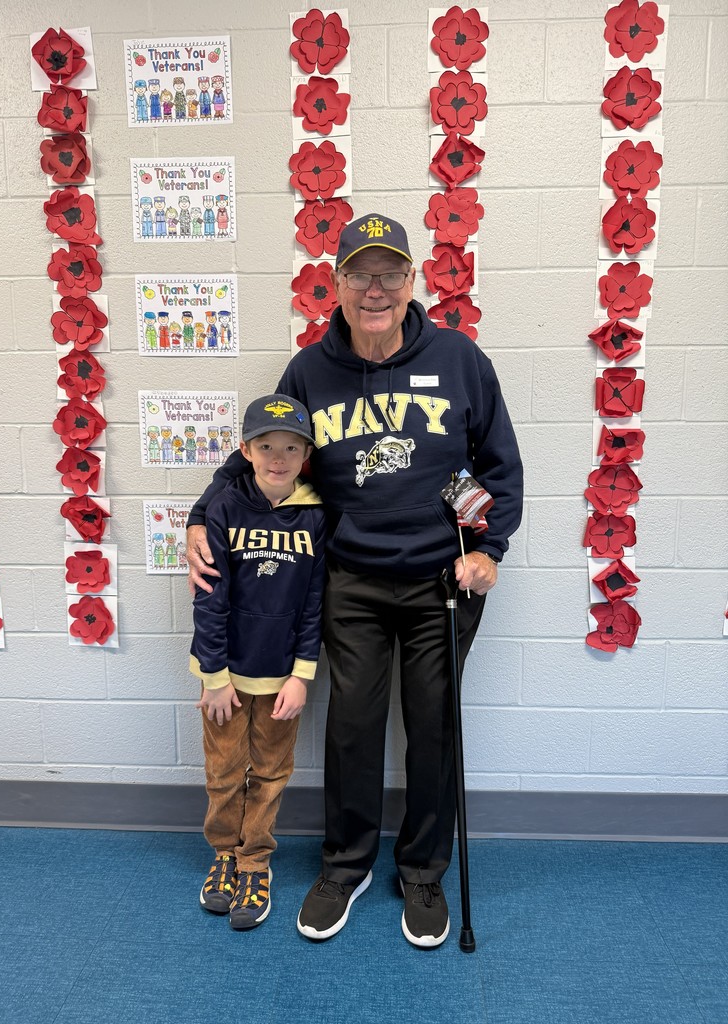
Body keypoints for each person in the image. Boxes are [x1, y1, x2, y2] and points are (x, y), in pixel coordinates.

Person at [186, 213, 523, 947]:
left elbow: (498, 466)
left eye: (390, 273)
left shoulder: (462, 361)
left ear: (413, 281)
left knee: (434, 726)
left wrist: (489, 548)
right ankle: (346, 865)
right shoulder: (309, 371)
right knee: (353, 726)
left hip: (443, 581)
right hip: (351, 581)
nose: (375, 289)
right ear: (335, 283)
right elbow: (258, 455)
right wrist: (196, 516)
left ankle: (424, 871)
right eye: (360, 274)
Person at [191, 394, 326, 931]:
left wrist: (302, 674)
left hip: (281, 679)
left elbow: (315, 603)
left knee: (270, 773)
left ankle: (255, 862)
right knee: (224, 772)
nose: (278, 457)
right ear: (246, 449)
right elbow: (208, 598)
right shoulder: (223, 508)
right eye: (266, 446)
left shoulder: (317, 514)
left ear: (306, 454)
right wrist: (215, 676)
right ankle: (224, 853)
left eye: (291, 448)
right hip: (225, 676)